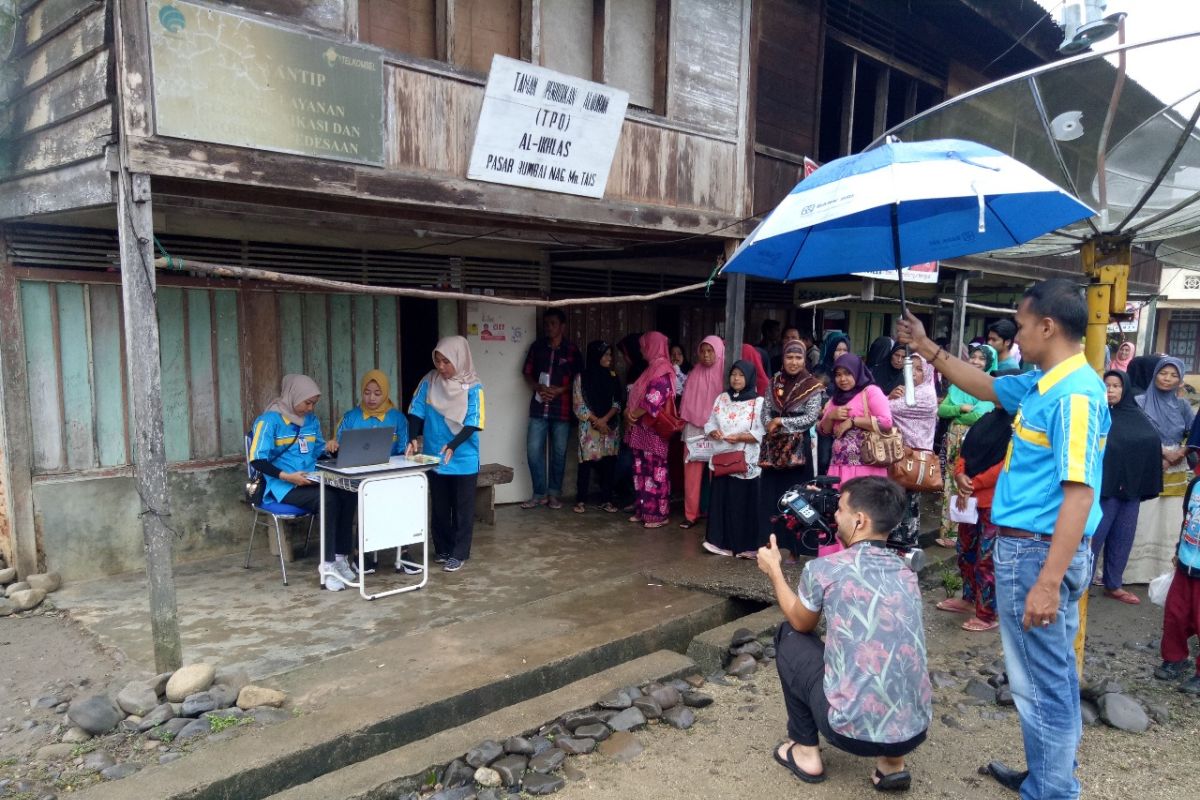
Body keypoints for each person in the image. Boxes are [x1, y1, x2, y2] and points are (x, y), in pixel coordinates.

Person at [897, 278, 1108, 800]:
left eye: (1019, 322)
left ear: (1047, 326)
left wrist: (1048, 582)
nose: (1014, 334)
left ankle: (1054, 789)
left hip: (1040, 553)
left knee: (1044, 683)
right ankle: (1045, 777)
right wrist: (928, 347)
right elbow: (986, 386)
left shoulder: (1075, 395)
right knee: (1038, 677)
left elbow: (1079, 495)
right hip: (1027, 548)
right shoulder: (1042, 383)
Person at [757, 476, 931, 791]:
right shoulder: (907, 572)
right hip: (915, 730)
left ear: (860, 520)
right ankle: (892, 764)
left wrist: (774, 571)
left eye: (839, 509)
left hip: (847, 732)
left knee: (789, 635)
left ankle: (805, 751)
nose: (834, 516)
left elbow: (801, 623)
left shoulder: (825, 570)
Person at [249, 374, 356, 591]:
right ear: (292, 396)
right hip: (282, 485)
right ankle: (326, 566)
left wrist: (329, 445)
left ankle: (340, 557)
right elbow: (257, 459)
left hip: (310, 478)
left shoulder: (311, 421)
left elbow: (316, 449)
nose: (310, 408)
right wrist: (287, 476)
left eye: (314, 404)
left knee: (348, 492)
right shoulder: (268, 421)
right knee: (329, 499)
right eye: (307, 402)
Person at [407, 336, 485, 573]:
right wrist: (412, 436)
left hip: (463, 458)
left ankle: (459, 553)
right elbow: (416, 410)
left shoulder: (474, 387)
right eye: (438, 361)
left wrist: (453, 444)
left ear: (460, 360)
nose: (441, 367)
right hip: (434, 456)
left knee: (462, 509)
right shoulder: (429, 381)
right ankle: (442, 548)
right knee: (440, 507)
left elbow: (475, 422)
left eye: (446, 362)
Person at [1090, 370, 1162, 601]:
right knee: (1094, 538)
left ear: (1126, 389)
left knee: (1123, 537)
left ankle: (1113, 584)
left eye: (1116, 386)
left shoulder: (1135, 415)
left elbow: (1150, 441)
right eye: (1106, 385)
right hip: (1103, 490)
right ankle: (1080, 585)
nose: (1110, 390)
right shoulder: (1095, 414)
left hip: (1129, 490)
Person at [938, 406, 1012, 632]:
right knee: (965, 551)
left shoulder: (1017, 426)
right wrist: (960, 475)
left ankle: (988, 614)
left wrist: (972, 485)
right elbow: (964, 451)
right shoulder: (985, 420)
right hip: (968, 500)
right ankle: (968, 599)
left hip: (994, 503)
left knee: (986, 559)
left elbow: (1005, 465)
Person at [332, 369, 412, 575]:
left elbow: (404, 450)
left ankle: (403, 551)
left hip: (390, 476)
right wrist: (334, 446)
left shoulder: (398, 418)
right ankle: (360, 553)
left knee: (406, 495)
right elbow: (338, 448)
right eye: (367, 392)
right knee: (356, 499)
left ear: (385, 393)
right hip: (358, 477)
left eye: (377, 393)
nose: (372, 398)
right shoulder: (350, 417)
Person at [1125, 356, 1195, 584]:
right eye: (1163, 373)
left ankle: (1163, 572)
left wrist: (1180, 453)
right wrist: (1162, 453)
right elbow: (1135, 432)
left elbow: (1193, 434)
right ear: (1154, 374)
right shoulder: (1139, 401)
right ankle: (1133, 572)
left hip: (1176, 467)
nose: (1168, 379)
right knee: (1144, 515)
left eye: (1174, 375)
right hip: (1148, 463)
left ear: (1180, 380)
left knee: (1169, 519)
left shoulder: (1183, 406)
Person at [761, 341, 825, 557]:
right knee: (772, 496)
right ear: (783, 359)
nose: (794, 362)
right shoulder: (774, 383)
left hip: (798, 450)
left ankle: (796, 548)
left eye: (798, 358)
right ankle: (772, 543)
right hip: (775, 450)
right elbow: (764, 413)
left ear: (804, 359)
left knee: (797, 496)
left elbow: (810, 418)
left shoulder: (812, 386)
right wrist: (772, 424)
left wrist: (780, 422)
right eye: (790, 357)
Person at [702, 360, 766, 557]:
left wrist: (738, 437)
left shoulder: (758, 402)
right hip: (723, 457)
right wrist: (713, 432)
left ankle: (747, 547)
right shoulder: (722, 398)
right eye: (733, 374)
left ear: (749, 378)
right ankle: (719, 543)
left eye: (741, 375)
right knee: (722, 500)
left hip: (745, 460)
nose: (736, 378)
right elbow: (710, 422)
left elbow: (760, 432)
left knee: (743, 504)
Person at [936, 344, 997, 548]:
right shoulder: (959, 384)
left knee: (968, 485)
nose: (976, 362)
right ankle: (948, 533)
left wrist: (958, 415)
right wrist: (960, 408)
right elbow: (942, 410)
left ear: (989, 363)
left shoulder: (990, 385)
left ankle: (964, 535)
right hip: (954, 440)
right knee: (950, 483)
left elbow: (980, 414)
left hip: (974, 441)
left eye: (982, 359)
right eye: (973, 357)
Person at [521, 308, 583, 510]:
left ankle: (554, 494)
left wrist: (560, 390)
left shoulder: (571, 350)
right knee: (533, 451)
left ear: (562, 326)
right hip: (539, 407)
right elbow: (527, 372)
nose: (548, 327)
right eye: (546, 324)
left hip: (562, 409)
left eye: (553, 323)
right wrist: (537, 387)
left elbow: (578, 379)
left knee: (558, 453)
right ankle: (539, 493)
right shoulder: (537, 347)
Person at [1153, 475, 1200, 695]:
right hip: (1186, 562)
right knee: (1175, 614)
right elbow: (1186, 519)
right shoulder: (1195, 484)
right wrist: (1178, 550)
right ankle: (1174, 658)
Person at [623, 332, 676, 528]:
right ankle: (643, 510)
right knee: (641, 471)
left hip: (654, 431)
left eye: (645, 345)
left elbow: (652, 402)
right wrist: (632, 414)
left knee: (656, 472)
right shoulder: (651, 369)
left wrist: (632, 414)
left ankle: (658, 515)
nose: (641, 349)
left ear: (654, 346)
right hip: (641, 430)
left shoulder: (662, 371)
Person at [887, 353, 937, 545]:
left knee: (905, 503)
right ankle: (901, 546)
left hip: (912, 460)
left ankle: (904, 547)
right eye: (911, 368)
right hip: (902, 457)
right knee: (904, 501)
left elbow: (886, 409)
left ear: (928, 371)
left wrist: (888, 398)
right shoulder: (911, 391)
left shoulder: (924, 395)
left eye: (919, 369)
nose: (914, 373)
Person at [678, 335, 726, 529]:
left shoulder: (725, 373)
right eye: (703, 351)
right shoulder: (694, 373)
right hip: (694, 430)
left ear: (719, 351)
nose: (706, 355)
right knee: (692, 474)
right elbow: (686, 404)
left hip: (717, 430)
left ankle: (714, 513)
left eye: (710, 351)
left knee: (717, 473)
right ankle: (690, 514)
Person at [572, 340, 622, 514]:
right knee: (586, 463)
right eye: (606, 354)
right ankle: (581, 500)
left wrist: (605, 420)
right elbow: (579, 404)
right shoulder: (582, 377)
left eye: (610, 354)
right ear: (596, 356)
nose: (610, 358)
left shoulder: (613, 376)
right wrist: (597, 421)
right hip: (590, 428)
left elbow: (617, 401)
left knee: (609, 463)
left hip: (610, 426)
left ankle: (607, 500)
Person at [814, 333, 851, 475]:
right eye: (837, 350)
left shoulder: (852, 373)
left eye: (844, 350)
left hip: (845, 425)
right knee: (823, 460)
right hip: (823, 424)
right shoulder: (820, 371)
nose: (841, 353)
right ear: (830, 350)